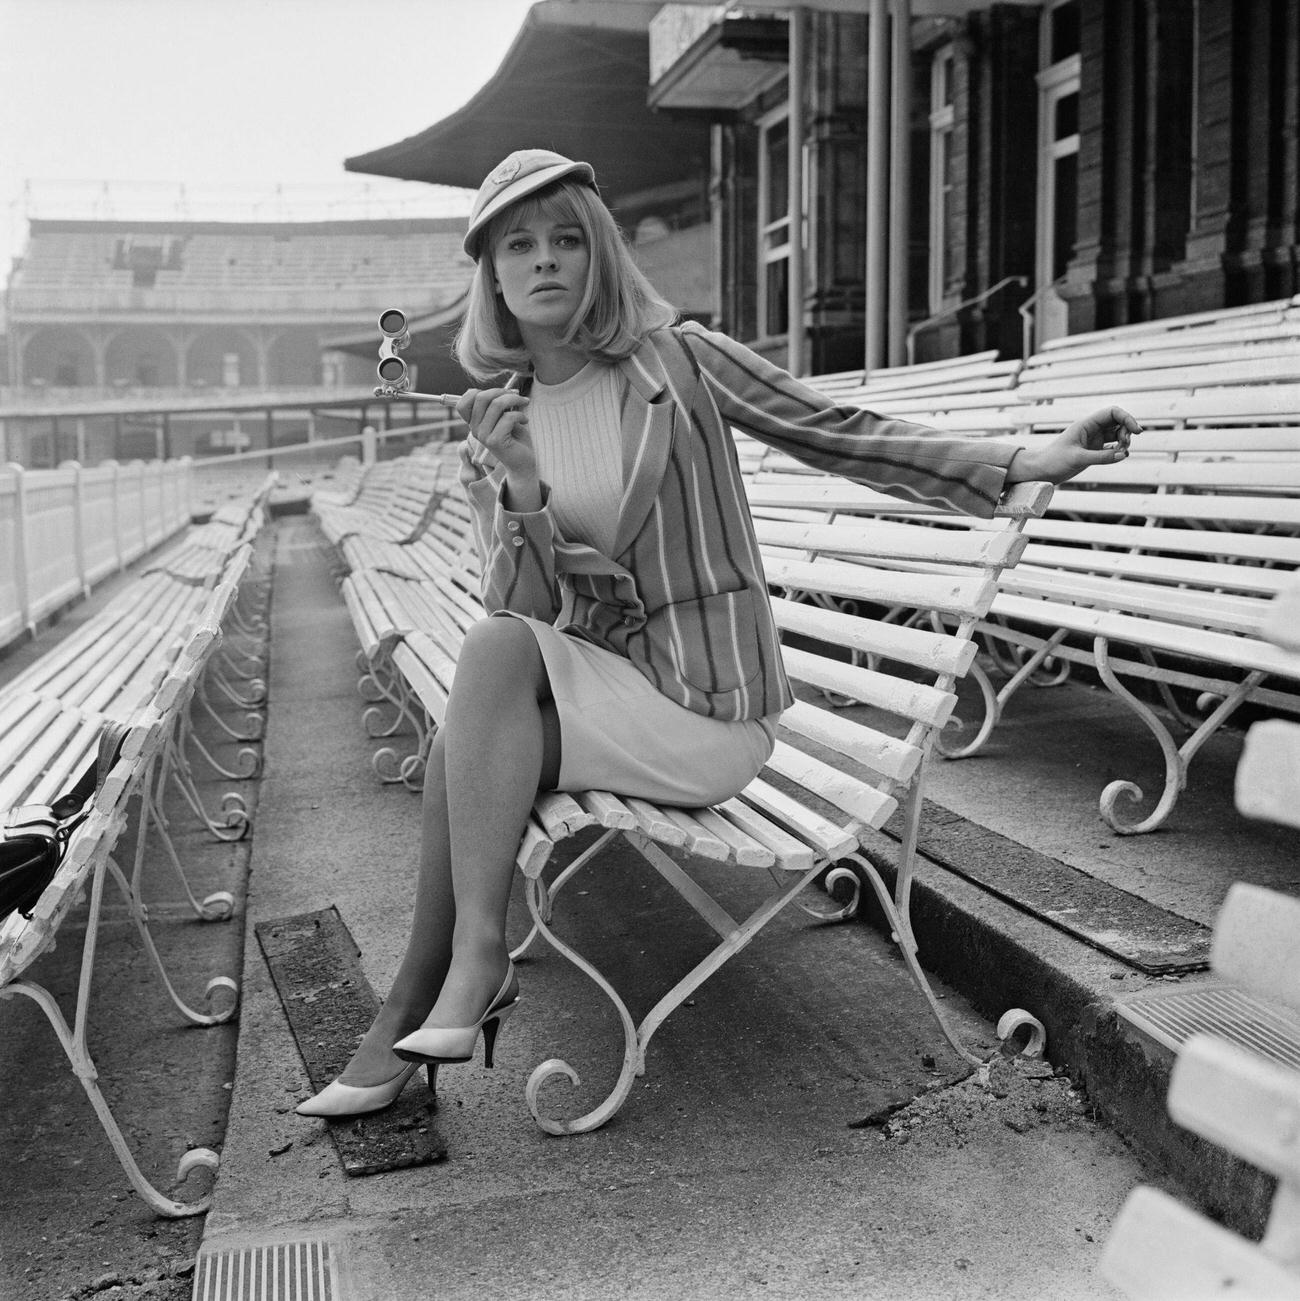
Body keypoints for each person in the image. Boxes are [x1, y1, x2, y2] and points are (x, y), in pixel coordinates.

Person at [297, 149, 1140, 1117]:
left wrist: (1030, 457)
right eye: (516, 246)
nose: (543, 261)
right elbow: (523, 614)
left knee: (473, 703)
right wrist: (521, 488)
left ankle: (453, 973)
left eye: (566, 238)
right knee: (466, 720)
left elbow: (844, 428)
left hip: (704, 718)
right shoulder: (502, 418)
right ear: (488, 278)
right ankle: (422, 992)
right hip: (610, 699)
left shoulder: (683, 363)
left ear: (599, 255)